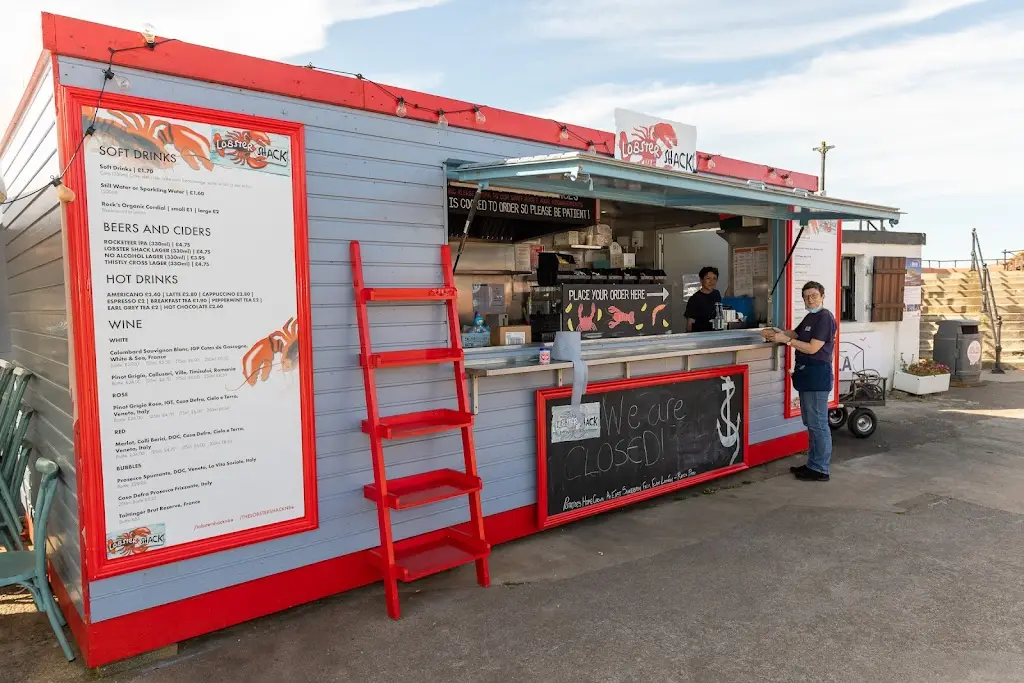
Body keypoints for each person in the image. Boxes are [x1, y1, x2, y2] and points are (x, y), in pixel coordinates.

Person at [761, 281, 837, 481]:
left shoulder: (825, 318)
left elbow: (812, 348)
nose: (810, 299)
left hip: (817, 376)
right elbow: (796, 333)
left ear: (822, 295)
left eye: (814, 295)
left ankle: (820, 469)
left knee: (818, 423)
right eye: (806, 297)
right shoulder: (811, 317)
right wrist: (777, 333)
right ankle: (813, 464)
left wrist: (785, 340)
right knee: (811, 422)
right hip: (807, 376)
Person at [684, 266, 722, 333]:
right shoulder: (695, 299)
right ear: (701, 280)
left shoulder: (717, 294)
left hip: (716, 334)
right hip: (700, 336)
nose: (711, 282)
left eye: (714, 279)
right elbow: (689, 324)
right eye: (708, 278)